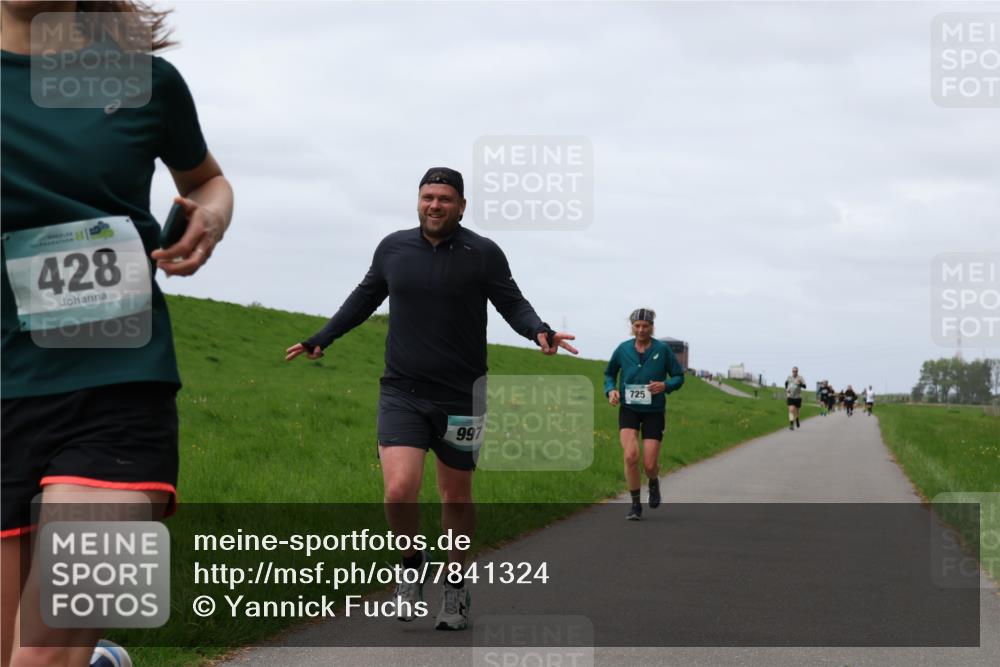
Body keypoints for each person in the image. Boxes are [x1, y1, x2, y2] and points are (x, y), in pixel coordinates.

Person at [1, 4, 233, 665]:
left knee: (40, 656)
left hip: (118, 390)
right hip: (5, 393)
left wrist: (208, 220)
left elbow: (208, 180)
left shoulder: (143, 80)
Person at [286, 167, 577, 631]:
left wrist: (538, 329)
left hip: (463, 396)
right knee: (399, 490)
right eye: (427, 197)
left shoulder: (482, 253)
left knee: (455, 496)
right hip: (403, 391)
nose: (434, 205)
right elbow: (363, 298)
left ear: (462, 206)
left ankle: (456, 585)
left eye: (444, 198)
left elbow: (511, 302)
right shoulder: (393, 249)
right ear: (417, 201)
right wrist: (323, 336)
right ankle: (411, 565)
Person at [604, 309, 685, 521]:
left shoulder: (663, 350)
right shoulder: (623, 349)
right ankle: (635, 505)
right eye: (637, 326)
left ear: (652, 327)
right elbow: (609, 373)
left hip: (654, 412)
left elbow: (678, 376)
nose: (641, 330)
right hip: (629, 409)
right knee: (630, 456)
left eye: (645, 326)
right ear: (632, 326)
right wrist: (610, 390)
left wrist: (665, 385)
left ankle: (653, 480)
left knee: (649, 464)